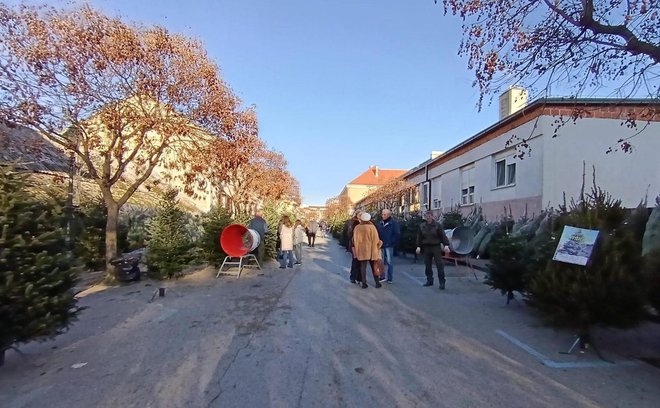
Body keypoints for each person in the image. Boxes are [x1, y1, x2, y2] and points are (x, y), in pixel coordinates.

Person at [416, 211, 451, 289]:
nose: (427, 217)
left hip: (436, 247)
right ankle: (429, 280)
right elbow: (419, 237)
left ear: (432, 216)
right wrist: (418, 246)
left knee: (439, 265)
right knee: (427, 265)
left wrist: (446, 245)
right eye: (426, 216)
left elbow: (443, 236)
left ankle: (442, 282)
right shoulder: (422, 226)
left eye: (429, 216)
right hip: (426, 247)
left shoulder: (437, 225)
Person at [352, 212, 383, 289]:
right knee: (374, 266)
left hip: (362, 250)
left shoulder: (357, 227)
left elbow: (354, 240)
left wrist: (357, 247)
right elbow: (376, 239)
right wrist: (379, 244)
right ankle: (377, 283)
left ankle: (364, 283)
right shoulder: (372, 227)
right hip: (372, 249)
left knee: (363, 266)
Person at [377, 208, 401, 284]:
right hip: (381, 245)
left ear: (388, 215)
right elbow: (378, 233)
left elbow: (397, 234)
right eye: (382, 214)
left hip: (389, 245)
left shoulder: (393, 223)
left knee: (389, 262)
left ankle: (390, 278)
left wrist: (391, 243)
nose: (382, 215)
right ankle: (382, 276)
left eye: (384, 214)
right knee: (380, 261)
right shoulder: (380, 223)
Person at [344, 211, 362, 284]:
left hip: (357, 245)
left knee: (358, 261)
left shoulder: (351, 222)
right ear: (358, 216)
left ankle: (356, 277)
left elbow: (345, 233)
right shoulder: (355, 223)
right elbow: (349, 233)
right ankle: (355, 277)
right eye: (361, 215)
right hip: (355, 244)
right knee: (357, 261)